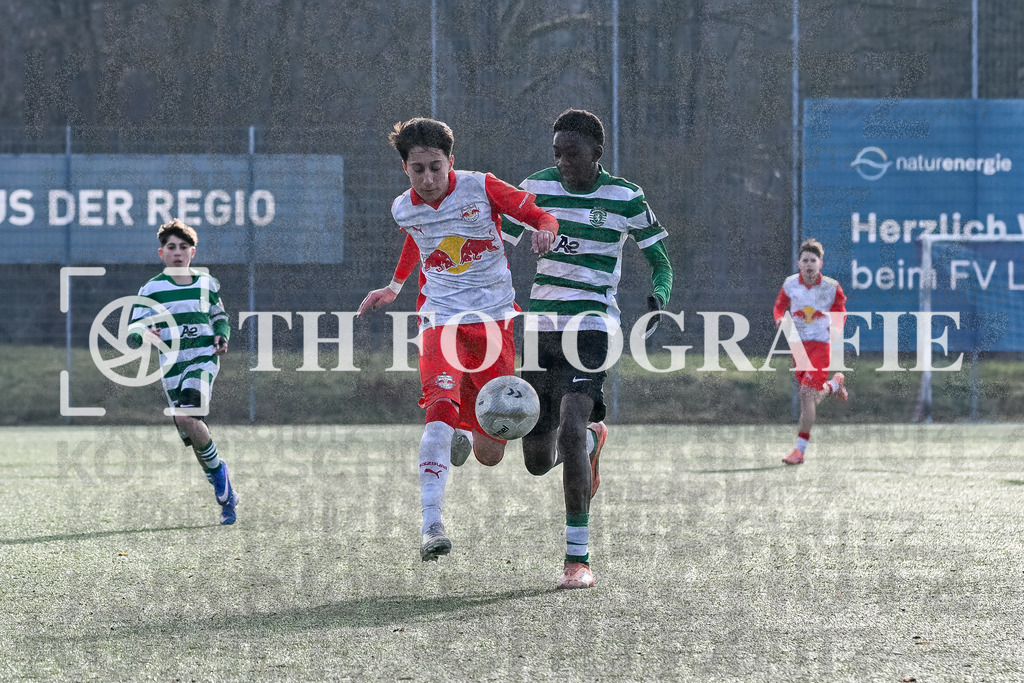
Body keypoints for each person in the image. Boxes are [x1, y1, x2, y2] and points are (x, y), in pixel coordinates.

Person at [357, 117, 559, 561]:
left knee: (490, 454)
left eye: (436, 167)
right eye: (418, 170)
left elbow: (540, 213)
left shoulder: (481, 187)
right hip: (440, 320)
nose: (428, 179)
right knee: (439, 410)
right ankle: (432, 525)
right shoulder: (402, 208)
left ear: (452, 161)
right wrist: (395, 285)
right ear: (404, 169)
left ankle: (471, 430)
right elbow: (421, 239)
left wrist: (546, 228)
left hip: (494, 322)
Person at [500, 108, 673, 589]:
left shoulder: (625, 196)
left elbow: (661, 262)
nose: (563, 162)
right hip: (539, 327)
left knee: (571, 427)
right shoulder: (537, 187)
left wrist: (660, 296)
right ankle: (595, 442)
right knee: (537, 457)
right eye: (557, 154)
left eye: (572, 154)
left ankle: (577, 560)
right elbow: (498, 242)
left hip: (593, 323)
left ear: (597, 152)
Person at [127, 219, 238, 524]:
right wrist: (144, 335)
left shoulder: (206, 283)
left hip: (202, 358)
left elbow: (219, 315)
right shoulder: (152, 288)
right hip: (172, 365)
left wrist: (221, 335)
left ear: (193, 251)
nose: (178, 252)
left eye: (184, 247)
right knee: (188, 428)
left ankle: (219, 478)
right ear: (161, 252)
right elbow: (135, 326)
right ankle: (221, 480)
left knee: (188, 415)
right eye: (171, 247)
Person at [772, 237, 849, 466]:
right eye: (805, 260)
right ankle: (834, 384)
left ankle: (799, 450)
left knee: (806, 394)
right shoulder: (790, 285)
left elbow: (840, 308)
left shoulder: (831, 287)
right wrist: (779, 320)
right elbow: (779, 306)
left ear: (820, 264)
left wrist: (836, 327)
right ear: (798, 263)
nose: (808, 264)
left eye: (813, 260)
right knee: (811, 397)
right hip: (797, 346)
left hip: (820, 345)